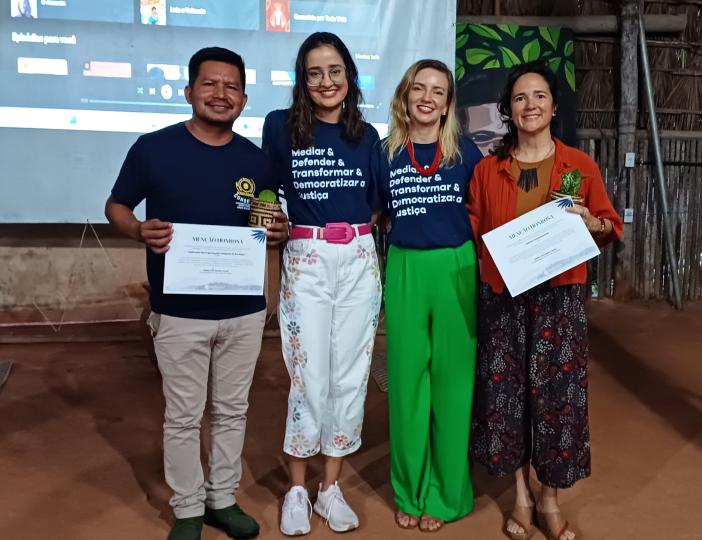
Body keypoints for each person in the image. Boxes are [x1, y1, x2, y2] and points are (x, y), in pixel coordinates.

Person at [105, 47, 289, 540]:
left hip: (244, 310)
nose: (220, 94)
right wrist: (138, 229)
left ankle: (222, 498)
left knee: (232, 410)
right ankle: (187, 507)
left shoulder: (257, 162)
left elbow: (268, 220)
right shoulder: (153, 149)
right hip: (179, 311)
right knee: (183, 415)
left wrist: (279, 230)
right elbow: (116, 205)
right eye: (210, 83)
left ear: (244, 99)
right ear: (189, 91)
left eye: (231, 86)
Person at [466, 62, 622, 540]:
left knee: (558, 399)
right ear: (508, 110)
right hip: (504, 301)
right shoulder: (487, 170)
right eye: (519, 98)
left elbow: (610, 225)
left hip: (560, 300)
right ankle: (521, 495)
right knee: (507, 398)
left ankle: (550, 497)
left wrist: (591, 222)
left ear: (554, 108)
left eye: (539, 96)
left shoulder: (579, 166)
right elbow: (473, 231)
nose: (529, 105)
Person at [261, 32, 381, 536]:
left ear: (349, 76)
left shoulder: (367, 136)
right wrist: (270, 224)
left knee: (349, 377)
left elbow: (379, 204)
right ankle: (297, 489)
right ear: (302, 80)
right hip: (305, 257)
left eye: (335, 71)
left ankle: (329, 489)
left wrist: (355, 237)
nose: (326, 81)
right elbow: (266, 190)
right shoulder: (280, 126)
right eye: (315, 73)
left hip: (357, 258)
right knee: (308, 376)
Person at [371, 59, 483, 533]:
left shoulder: (466, 153)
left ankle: (446, 493)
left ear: (447, 103)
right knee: (407, 384)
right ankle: (409, 490)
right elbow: (374, 211)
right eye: (420, 88)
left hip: (457, 266)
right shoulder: (384, 153)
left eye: (438, 91)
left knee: (453, 385)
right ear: (405, 94)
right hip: (406, 268)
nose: (428, 97)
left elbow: (485, 211)